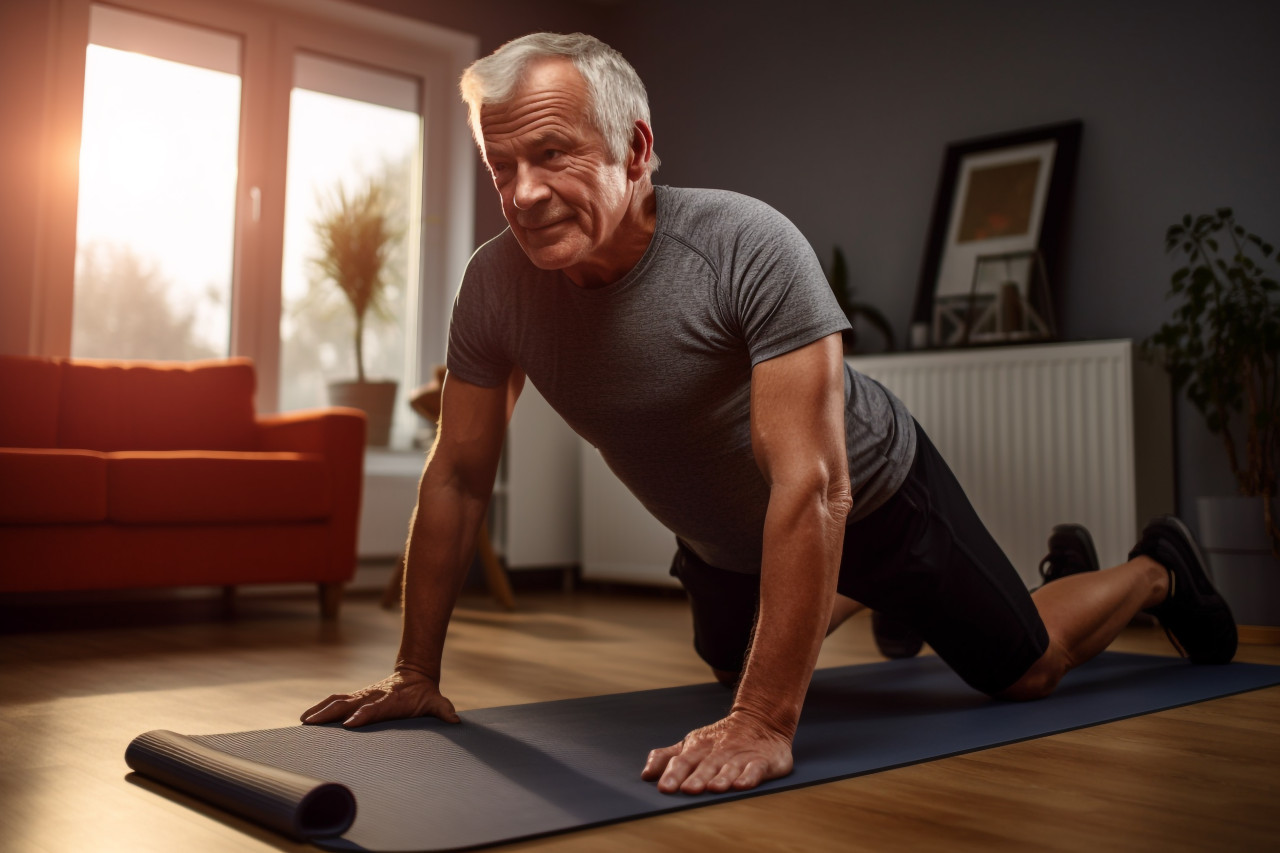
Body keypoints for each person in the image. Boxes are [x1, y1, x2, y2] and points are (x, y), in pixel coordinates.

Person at [302, 32, 1237, 796]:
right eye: (502, 163)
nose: (525, 192)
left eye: (553, 153)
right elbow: (460, 474)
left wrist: (766, 720)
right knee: (728, 665)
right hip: (728, 543)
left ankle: (1153, 567)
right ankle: (869, 594)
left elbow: (814, 482)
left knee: (1023, 668)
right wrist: (415, 673)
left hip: (869, 494)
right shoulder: (495, 285)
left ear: (635, 149)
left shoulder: (746, 245)